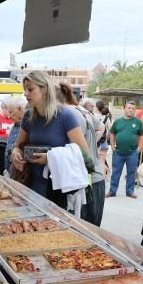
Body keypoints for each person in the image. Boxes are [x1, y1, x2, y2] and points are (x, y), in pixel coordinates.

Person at [9, 70, 91, 208]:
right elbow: (17, 146)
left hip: (57, 188)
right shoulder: (28, 116)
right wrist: (16, 154)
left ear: (45, 89)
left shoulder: (65, 116)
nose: (26, 94)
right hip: (30, 183)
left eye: (30, 89)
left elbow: (84, 154)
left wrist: (51, 158)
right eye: (25, 90)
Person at [58, 83, 106, 226]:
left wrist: (85, 147)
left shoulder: (69, 114)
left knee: (85, 231)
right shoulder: (82, 110)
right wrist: (91, 145)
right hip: (95, 178)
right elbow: (101, 127)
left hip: (87, 183)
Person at [107, 102, 143, 198]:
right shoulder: (118, 121)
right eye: (129, 108)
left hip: (132, 152)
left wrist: (139, 148)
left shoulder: (137, 122)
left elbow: (141, 135)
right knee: (115, 172)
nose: (131, 110)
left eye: (133, 108)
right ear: (124, 109)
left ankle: (129, 191)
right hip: (118, 152)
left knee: (131, 173)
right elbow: (112, 133)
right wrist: (113, 147)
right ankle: (112, 191)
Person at [2, 96, 26, 173]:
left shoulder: (28, 127)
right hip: (9, 172)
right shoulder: (13, 126)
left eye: (11, 112)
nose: (9, 116)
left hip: (20, 174)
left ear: (20, 109)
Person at [94, 101, 113, 176]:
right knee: (102, 161)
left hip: (94, 142)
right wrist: (107, 136)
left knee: (95, 162)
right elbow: (111, 130)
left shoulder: (93, 116)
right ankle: (103, 177)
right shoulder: (106, 118)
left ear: (96, 107)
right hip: (103, 142)